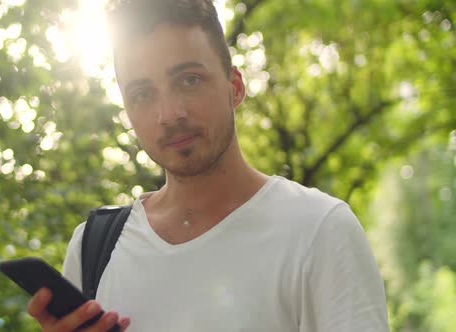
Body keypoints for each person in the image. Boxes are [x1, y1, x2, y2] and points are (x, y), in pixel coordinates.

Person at [27, 0, 389, 331]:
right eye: (142, 94)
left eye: (189, 80)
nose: (169, 114)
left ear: (235, 86)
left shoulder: (320, 232)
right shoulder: (93, 248)